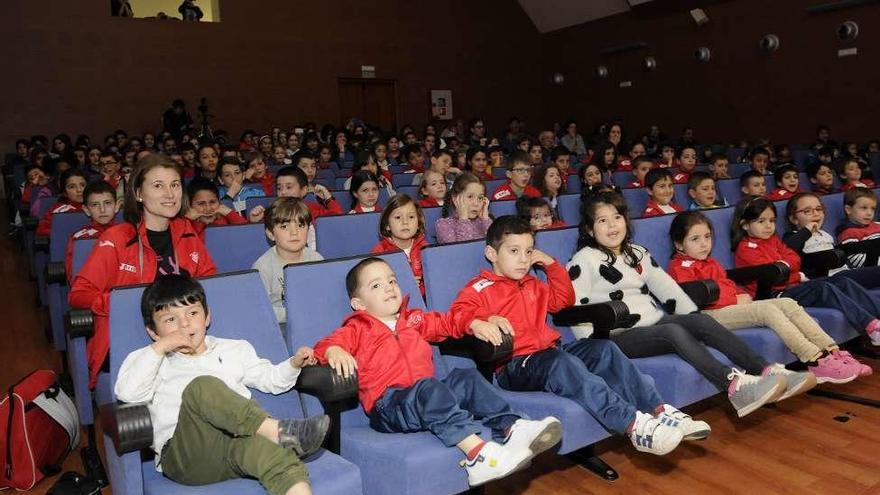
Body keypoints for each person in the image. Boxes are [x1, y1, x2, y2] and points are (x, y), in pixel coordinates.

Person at [450, 215, 704, 453]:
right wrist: (477, 322)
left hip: (551, 353)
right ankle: (633, 426)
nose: (523, 259)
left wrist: (550, 265)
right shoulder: (480, 287)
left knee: (602, 348)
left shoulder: (532, 284)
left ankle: (659, 411)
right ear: (491, 253)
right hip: (515, 366)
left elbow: (563, 300)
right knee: (561, 362)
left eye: (528, 252)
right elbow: (457, 315)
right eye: (514, 251)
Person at [313, 258, 562, 487]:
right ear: (359, 304)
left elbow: (449, 322)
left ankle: (513, 428)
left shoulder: (414, 320)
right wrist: (334, 350)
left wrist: (475, 322)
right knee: (428, 388)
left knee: (465, 377)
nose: (389, 287)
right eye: (376, 286)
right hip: (388, 407)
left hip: (427, 396)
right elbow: (325, 346)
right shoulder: (357, 328)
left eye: (392, 281)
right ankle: (476, 455)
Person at [569, 194, 812, 415]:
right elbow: (576, 307)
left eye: (617, 217)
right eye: (602, 221)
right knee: (672, 330)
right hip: (616, 333)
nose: (612, 225)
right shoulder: (583, 260)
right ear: (590, 230)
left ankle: (765, 370)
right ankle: (734, 387)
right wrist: (594, 348)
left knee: (700, 320)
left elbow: (669, 290)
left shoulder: (637, 252)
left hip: (651, 322)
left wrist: (695, 320)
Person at [115, 275, 328, 495]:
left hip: (236, 445)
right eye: (170, 320)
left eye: (193, 313)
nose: (184, 324)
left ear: (207, 317)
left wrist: (293, 364)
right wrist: (160, 348)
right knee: (202, 387)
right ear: (153, 332)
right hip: (187, 457)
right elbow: (127, 393)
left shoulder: (234, 349)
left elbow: (271, 379)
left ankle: (282, 449)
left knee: (275, 456)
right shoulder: (150, 359)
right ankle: (277, 431)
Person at [69, 154, 217, 388]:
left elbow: (211, 282)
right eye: (158, 186)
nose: (170, 194)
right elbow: (79, 294)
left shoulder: (187, 231)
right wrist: (121, 302)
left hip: (187, 337)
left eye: (175, 185)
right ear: (138, 193)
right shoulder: (116, 238)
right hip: (133, 341)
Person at [669, 211, 868, 383]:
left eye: (707, 237)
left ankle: (831, 351)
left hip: (727, 308)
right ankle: (814, 359)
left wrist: (742, 295)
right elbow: (696, 298)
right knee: (766, 309)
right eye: (695, 239)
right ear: (679, 243)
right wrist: (735, 298)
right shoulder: (679, 267)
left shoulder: (711, 262)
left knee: (788, 302)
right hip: (707, 317)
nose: (704, 244)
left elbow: (728, 285)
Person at [732, 196, 880, 347]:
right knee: (823, 288)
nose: (768, 226)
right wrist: (797, 274)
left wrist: (787, 266)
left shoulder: (773, 240)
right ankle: (870, 325)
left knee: (843, 281)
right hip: (776, 294)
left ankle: (876, 321)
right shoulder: (746, 248)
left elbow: (794, 259)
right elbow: (774, 275)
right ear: (745, 225)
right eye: (761, 221)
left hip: (793, 286)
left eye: (772, 221)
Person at [253, 198, 324, 325]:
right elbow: (260, 309)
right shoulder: (262, 267)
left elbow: (324, 296)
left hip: (314, 320)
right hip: (282, 325)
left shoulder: (316, 259)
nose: (294, 232)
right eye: (285, 227)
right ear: (271, 234)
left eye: (301, 225)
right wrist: (298, 314)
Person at [371, 194, 429, 295]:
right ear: (387, 225)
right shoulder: (379, 252)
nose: (405, 222)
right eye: (398, 217)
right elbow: (375, 287)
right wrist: (402, 285)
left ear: (418, 224)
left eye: (411, 217)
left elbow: (433, 282)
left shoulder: (426, 249)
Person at [65, 180, 119, 283]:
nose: (102, 210)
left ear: (116, 206)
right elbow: (75, 277)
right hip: (92, 292)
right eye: (95, 205)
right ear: (86, 210)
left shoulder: (128, 234)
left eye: (107, 203)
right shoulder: (79, 239)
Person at [436, 173, 491, 243]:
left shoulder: (485, 222)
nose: (476, 204)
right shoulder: (443, 224)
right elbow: (462, 250)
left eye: (480, 198)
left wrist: (485, 219)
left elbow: (496, 246)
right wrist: (463, 219)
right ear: (455, 199)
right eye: (470, 197)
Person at [837, 187, 880, 268]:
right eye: (864, 208)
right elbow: (855, 260)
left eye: (873, 209)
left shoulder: (877, 225)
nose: (869, 213)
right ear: (848, 210)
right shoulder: (848, 232)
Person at [36, 169, 87, 236]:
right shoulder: (58, 210)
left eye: (82, 185)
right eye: (72, 187)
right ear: (64, 193)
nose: (79, 190)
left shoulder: (97, 206)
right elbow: (41, 229)